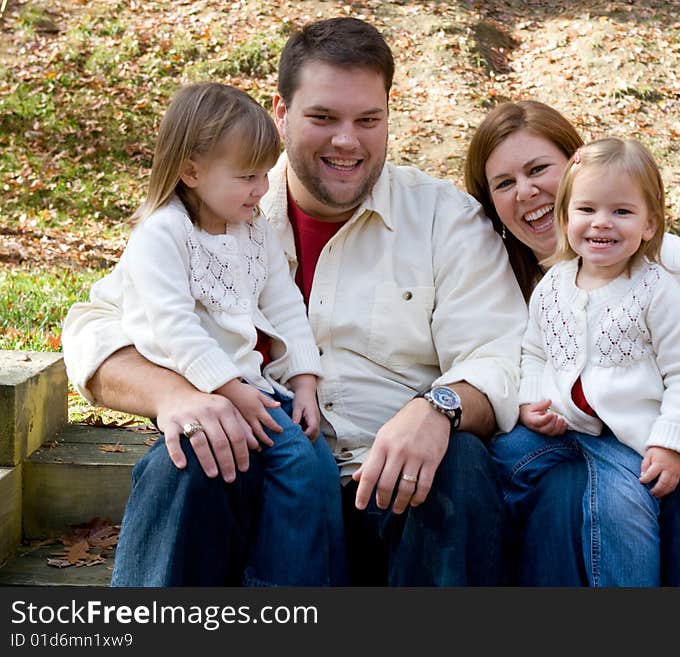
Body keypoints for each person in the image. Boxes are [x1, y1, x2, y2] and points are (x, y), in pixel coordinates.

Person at [61, 17, 526, 586]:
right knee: (189, 454)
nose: (346, 140)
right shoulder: (211, 211)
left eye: (367, 119)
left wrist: (439, 410)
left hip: (390, 489)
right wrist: (174, 393)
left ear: (388, 113)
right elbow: (93, 326)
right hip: (254, 482)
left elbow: (499, 355)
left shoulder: (445, 220)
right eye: (323, 117)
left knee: (463, 464)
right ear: (281, 114)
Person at [465, 100, 680, 586]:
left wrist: (659, 416)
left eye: (538, 169)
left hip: (662, 452)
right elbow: (526, 361)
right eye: (504, 183)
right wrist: (533, 402)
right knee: (561, 491)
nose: (526, 191)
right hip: (556, 453)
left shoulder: (670, 272)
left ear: (575, 163)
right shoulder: (495, 276)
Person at [88, 81, 346, 586]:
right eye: (248, 176)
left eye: (266, 175)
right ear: (191, 171)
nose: (263, 190)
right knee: (297, 463)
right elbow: (175, 328)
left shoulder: (253, 231)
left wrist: (305, 380)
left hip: (248, 385)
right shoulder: (162, 234)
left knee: (316, 460)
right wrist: (230, 389)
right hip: (196, 386)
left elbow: (286, 304)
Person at [517, 137, 680, 585]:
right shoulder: (554, 285)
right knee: (499, 459)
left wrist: (671, 442)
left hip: (633, 440)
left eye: (621, 211)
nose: (602, 223)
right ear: (565, 217)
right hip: (568, 431)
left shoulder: (657, 293)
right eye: (587, 209)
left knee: (618, 513)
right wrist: (531, 401)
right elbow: (535, 352)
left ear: (650, 225)